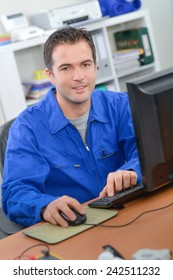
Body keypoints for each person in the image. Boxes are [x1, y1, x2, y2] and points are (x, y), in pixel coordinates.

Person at [1, 26, 142, 228]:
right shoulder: (27, 128)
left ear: (95, 67)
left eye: (85, 64)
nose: (79, 76)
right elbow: (16, 193)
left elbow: (149, 152)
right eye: (66, 68)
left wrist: (131, 170)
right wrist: (45, 206)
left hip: (125, 213)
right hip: (72, 227)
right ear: (50, 75)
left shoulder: (120, 105)